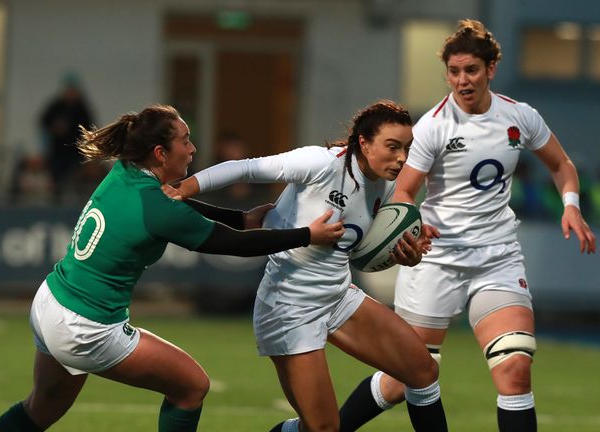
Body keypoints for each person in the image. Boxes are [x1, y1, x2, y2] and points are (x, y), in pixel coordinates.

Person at [0, 104, 345, 432]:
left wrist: (241, 217)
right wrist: (306, 235)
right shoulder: (156, 207)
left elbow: (173, 200)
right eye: (185, 141)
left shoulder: (125, 171)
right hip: (86, 326)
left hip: (51, 300)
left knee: (42, 408)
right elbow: (230, 245)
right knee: (192, 387)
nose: (192, 150)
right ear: (160, 153)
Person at [337, 20, 596, 432]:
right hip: (436, 260)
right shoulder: (433, 127)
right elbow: (403, 193)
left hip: (497, 258)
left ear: (490, 69)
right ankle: (325, 428)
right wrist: (414, 225)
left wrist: (571, 204)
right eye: (454, 72)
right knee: (406, 379)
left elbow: (561, 164)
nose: (462, 80)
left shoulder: (519, 116)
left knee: (514, 371)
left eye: (471, 70)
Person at [165, 100, 449, 432]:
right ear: (364, 142)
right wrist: (183, 189)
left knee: (422, 371)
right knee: (323, 428)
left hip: (338, 296)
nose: (402, 157)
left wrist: (406, 253)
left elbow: (365, 250)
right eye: (392, 146)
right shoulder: (321, 163)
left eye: (407, 148)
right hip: (289, 306)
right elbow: (244, 168)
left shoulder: (386, 187)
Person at [39, 72, 95, 201]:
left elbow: (90, 129)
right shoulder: (56, 106)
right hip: (58, 153)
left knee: (77, 182)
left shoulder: (82, 108)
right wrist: (55, 128)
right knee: (57, 182)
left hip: (76, 154)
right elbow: (43, 121)